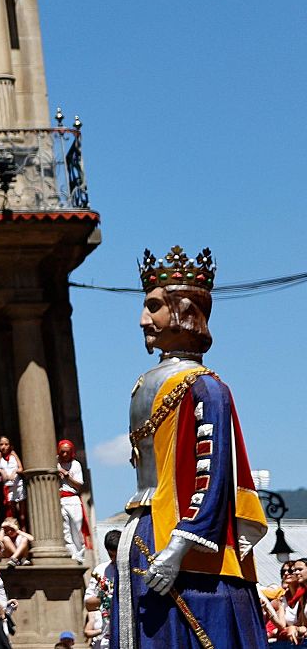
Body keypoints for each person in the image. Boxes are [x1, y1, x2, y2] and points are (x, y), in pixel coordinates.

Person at [115, 246, 268, 649]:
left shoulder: (207, 388)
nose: (143, 320)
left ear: (183, 311)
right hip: (144, 526)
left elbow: (212, 472)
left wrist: (181, 544)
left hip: (186, 541)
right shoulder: (145, 383)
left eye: (153, 307)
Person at [56, 440, 88, 563]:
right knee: (65, 529)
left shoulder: (75, 465)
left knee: (76, 527)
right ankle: (72, 553)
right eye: (62, 452)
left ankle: (80, 553)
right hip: (59, 499)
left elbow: (79, 485)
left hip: (73, 499)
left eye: (67, 453)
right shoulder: (54, 462)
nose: (64, 455)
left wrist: (67, 476)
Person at [0, 436, 26, 528]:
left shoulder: (13, 454)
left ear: (10, 445)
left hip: (18, 485)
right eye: (1, 444)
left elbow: (21, 468)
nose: (4, 447)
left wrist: (15, 471)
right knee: (11, 512)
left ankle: (23, 530)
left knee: (22, 514)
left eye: (6, 444)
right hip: (8, 486)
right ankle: (13, 532)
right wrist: (1, 471)